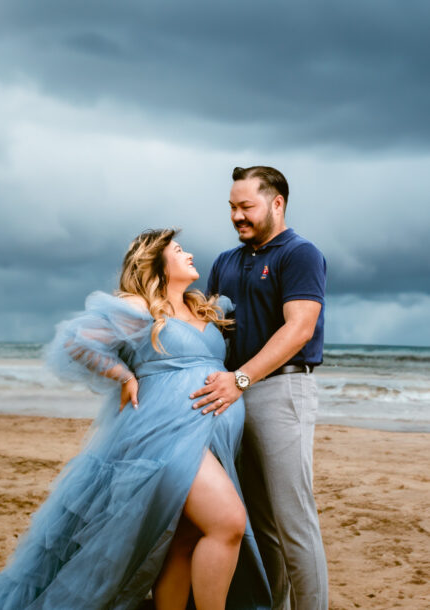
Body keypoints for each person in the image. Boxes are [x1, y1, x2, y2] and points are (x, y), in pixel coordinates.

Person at [0, 229, 271, 610]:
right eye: (179, 250)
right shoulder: (142, 308)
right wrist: (124, 376)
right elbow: (77, 342)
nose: (190, 254)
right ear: (156, 264)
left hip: (210, 433)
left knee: (187, 538)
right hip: (165, 434)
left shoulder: (203, 308)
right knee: (228, 522)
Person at [191, 166, 329, 609]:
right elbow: (206, 330)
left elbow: (299, 330)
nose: (236, 215)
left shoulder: (300, 253)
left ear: (276, 203)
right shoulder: (225, 262)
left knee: (294, 523)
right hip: (229, 399)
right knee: (258, 522)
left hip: (281, 393)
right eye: (232, 207)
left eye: (246, 206)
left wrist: (242, 379)